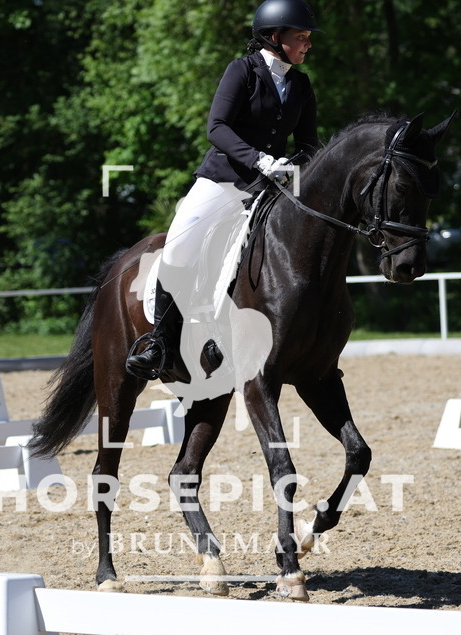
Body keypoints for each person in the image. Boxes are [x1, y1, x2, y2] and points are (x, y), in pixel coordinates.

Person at [125, 0, 321, 381]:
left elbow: (308, 143)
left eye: (308, 38)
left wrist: (294, 167)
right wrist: (260, 159)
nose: (307, 44)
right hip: (224, 181)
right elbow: (217, 128)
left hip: (269, 188)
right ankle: (159, 342)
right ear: (274, 36)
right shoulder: (242, 71)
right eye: (301, 37)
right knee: (179, 244)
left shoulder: (301, 85)